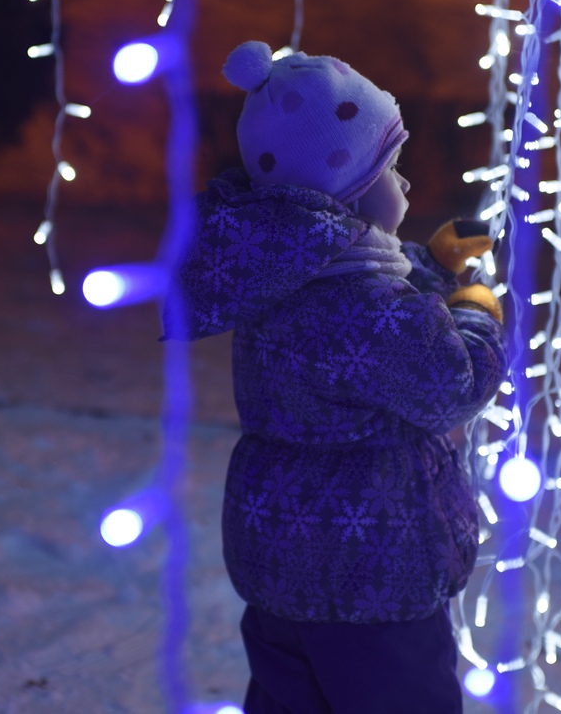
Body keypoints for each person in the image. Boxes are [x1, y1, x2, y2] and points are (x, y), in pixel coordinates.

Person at [166, 41, 507, 713]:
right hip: (373, 581)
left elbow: (368, 317)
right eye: (391, 168)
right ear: (345, 190)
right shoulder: (367, 305)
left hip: (283, 573)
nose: (404, 185)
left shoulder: (283, 272)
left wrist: (432, 269)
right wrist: (477, 310)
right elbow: (451, 383)